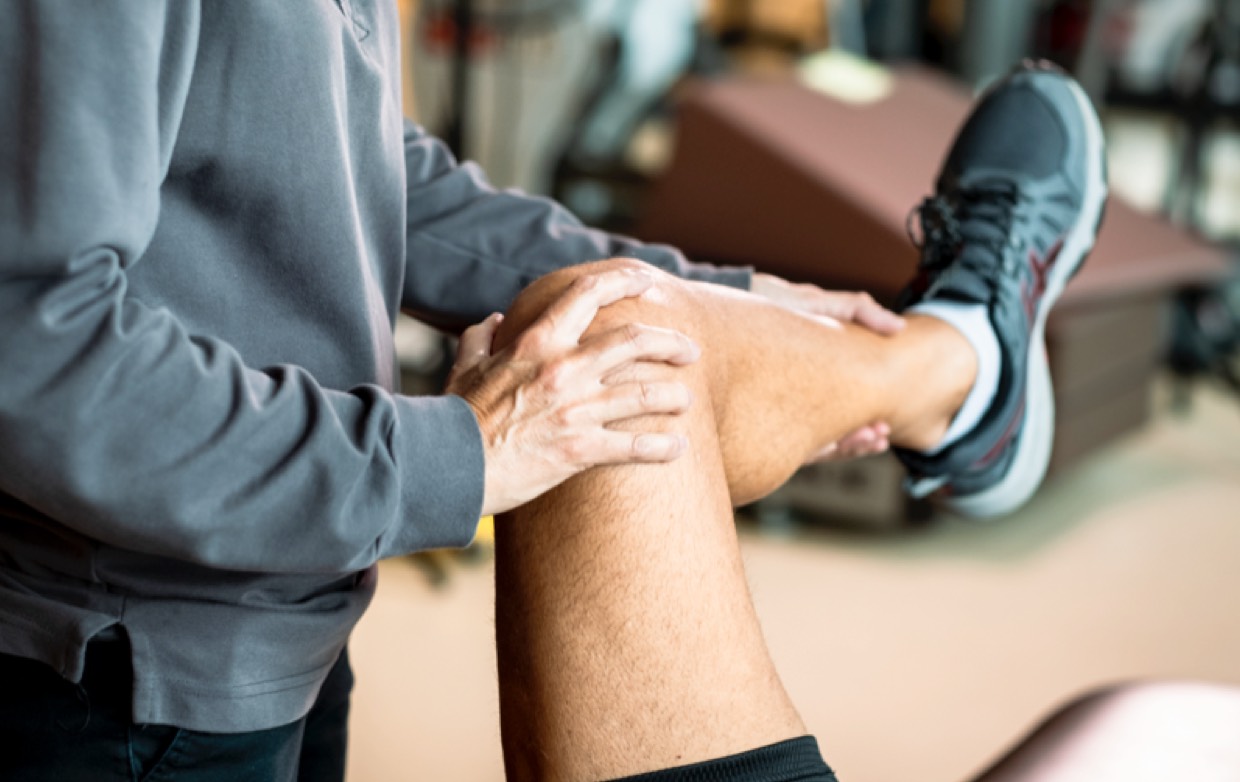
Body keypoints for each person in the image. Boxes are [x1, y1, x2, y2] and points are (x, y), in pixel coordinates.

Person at [2, 4, 1232, 781]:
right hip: (123, 659)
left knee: (624, 311)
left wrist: (744, 292)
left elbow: (373, 172)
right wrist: (459, 454)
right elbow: (31, 340)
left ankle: (951, 376)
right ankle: (958, 369)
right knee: (607, 342)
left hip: (288, 592)